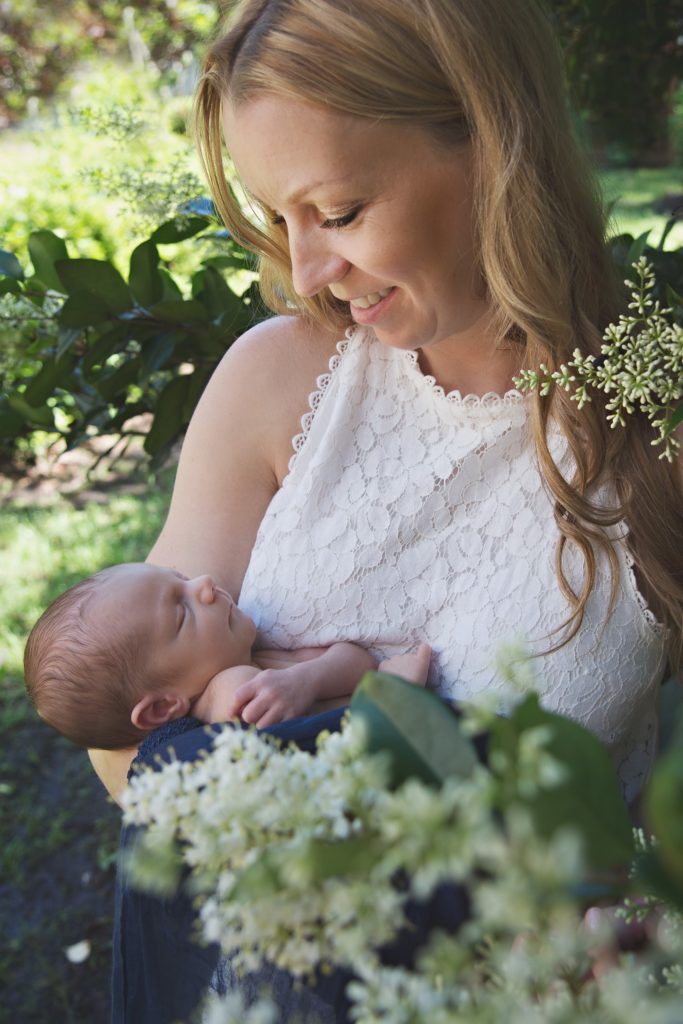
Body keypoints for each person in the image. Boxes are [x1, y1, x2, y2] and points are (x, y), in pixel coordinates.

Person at [88, 0, 683, 1019]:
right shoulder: (275, 382)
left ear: (493, 143)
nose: (305, 271)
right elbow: (119, 734)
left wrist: (625, 917)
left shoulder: (654, 421)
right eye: (278, 217)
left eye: (339, 211)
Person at [24, 561, 431, 749]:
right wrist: (392, 690)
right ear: (163, 706)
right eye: (181, 612)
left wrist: (307, 679)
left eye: (181, 578)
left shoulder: (251, 663)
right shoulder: (235, 699)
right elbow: (339, 743)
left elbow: (355, 661)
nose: (205, 583)